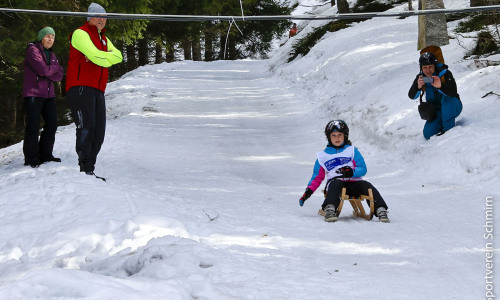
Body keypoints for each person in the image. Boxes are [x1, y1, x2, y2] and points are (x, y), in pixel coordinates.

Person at [66, 2, 123, 177]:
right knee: (86, 126)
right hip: (81, 86)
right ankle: (85, 167)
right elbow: (97, 57)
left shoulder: (104, 39)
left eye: (104, 17)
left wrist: (101, 57)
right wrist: (104, 57)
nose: (102, 19)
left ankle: (91, 167)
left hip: (98, 89)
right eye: (98, 16)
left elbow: (118, 56)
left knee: (99, 131)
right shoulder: (80, 33)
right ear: (89, 18)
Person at [299, 120, 389, 223]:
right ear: (329, 137)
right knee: (336, 183)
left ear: (345, 136)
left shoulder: (352, 150)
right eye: (334, 135)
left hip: (355, 183)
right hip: (336, 185)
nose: (337, 138)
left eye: (340, 135)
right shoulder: (322, 156)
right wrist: (308, 192)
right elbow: (317, 177)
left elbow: (362, 168)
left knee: (367, 186)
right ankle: (330, 208)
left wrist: (352, 172)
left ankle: (381, 209)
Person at [22, 26, 64, 168]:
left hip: (48, 94)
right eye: (48, 36)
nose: (50, 39)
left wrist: (49, 71)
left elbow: (59, 74)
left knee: (52, 124)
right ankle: (32, 158)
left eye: (52, 37)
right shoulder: (33, 50)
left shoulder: (51, 54)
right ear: (41, 38)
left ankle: (46, 154)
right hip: (33, 93)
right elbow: (42, 70)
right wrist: (51, 70)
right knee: (33, 126)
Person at [408, 52, 462, 139]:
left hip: (453, 106)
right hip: (437, 110)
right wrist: (418, 87)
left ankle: (449, 131)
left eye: (430, 67)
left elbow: (453, 92)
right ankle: (442, 122)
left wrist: (440, 87)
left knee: (447, 101)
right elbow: (411, 96)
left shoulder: (445, 73)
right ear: (421, 68)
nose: (428, 70)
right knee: (428, 134)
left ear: (435, 65)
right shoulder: (421, 77)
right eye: (425, 67)